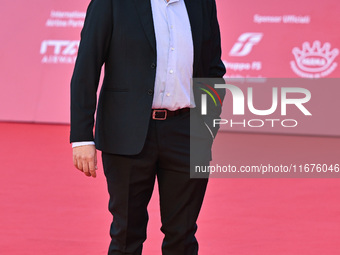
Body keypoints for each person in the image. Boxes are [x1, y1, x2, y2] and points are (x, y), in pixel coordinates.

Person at [70, 0, 226, 254]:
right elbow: (87, 66)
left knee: (183, 236)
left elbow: (213, 70)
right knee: (126, 235)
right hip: (127, 134)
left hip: (186, 134)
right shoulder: (112, 3)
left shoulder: (202, 3)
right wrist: (81, 137)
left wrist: (206, 127)